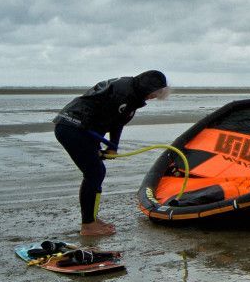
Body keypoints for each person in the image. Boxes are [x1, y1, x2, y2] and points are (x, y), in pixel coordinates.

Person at [53, 70, 170, 236]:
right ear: (147, 88)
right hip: (73, 128)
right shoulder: (126, 94)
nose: (152, 98)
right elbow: (112, 121)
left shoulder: (130, 89)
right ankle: (88, 226)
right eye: (153, 94)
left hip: (77, 127)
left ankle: (91, 218)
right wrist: (107, 146)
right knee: (94, 173)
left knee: (96, 172)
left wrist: (112, 146)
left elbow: (115, 120)